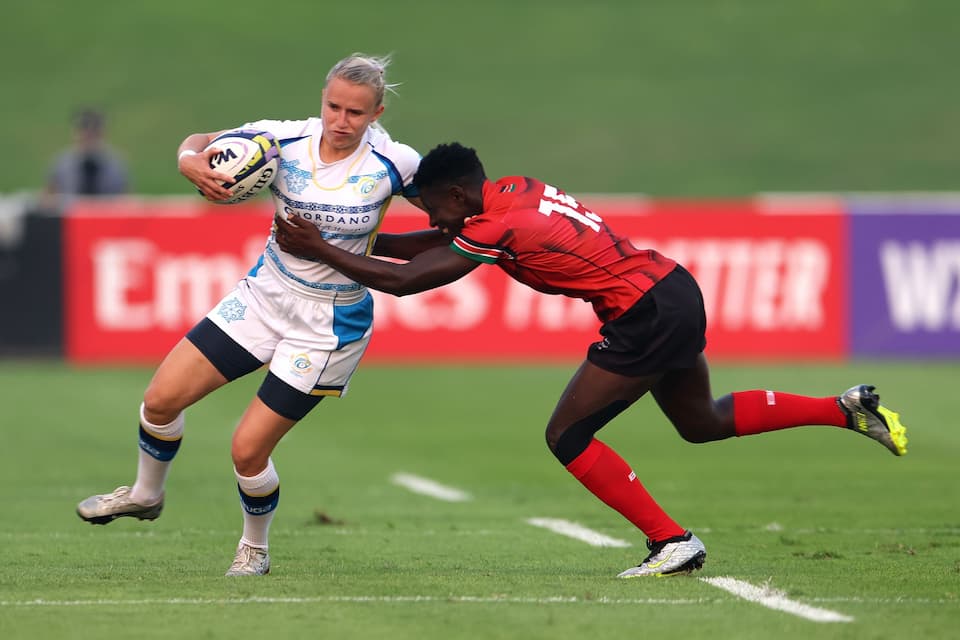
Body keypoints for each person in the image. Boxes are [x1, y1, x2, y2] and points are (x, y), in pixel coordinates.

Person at [272, 141, 909, 578]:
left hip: (644, 314)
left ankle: (672, 542)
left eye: (432, 203)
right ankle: (845, 409)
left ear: (462, 194)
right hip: (672, 289)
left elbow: (408, 280)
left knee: (567, 434)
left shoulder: (496, 227)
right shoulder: (513, 190)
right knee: (701, 422)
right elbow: (437, 241)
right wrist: (346, 235)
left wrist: (322, 249)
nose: (430, 214)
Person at [76, 53, 447, 576]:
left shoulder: (396, 163)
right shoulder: (281, 140)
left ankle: (255, 547)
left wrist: (410, 247)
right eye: (334, 106)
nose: (342, 121)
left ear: (377, 113)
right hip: (263, 296)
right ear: (322, 101)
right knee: (160, 400)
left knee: (247, 451)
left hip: (328, 325)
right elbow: (200, 141)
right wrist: (189, 162)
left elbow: (455, 208)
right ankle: (145, 494)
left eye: (356, 113)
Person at [46, 108, 130, 198]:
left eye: (94, 132)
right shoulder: (62, 163)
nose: (89, 136)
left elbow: (124, 200)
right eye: (84, 131)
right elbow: (50, 196)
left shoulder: (116, 165)